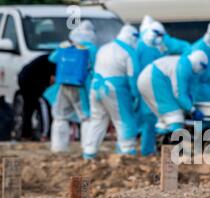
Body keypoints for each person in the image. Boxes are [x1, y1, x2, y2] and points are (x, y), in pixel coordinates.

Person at [83, 25, 140, 160]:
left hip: (95, 87)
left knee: (97, 119)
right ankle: (127, 150)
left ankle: (89, 151)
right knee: (123, 120)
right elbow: (133, 77)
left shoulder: (104, 48)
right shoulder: (128, 52)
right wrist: (135, 95)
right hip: (115, 89)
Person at [136, 20, 191, 156]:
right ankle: (148, 151)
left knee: (159, 121)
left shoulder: (159, 48)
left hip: (154, 87)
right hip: (148, 86)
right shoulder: (141, 47)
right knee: (151, 122)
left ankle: (156, 150)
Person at [137, 50, 208, 141]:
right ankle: (173, 149)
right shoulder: (184, 66)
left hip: (148, 78)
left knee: (165, 119)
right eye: (203, 67)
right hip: (153, 79)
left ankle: (161, 145)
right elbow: (179, 93)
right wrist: (192, 110)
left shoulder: (182, 63)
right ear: (199, 63)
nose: (201, 70)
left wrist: (188, 104)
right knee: (175, 117)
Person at [49, 21, 97, 152]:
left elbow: (52, 58)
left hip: (63, 84)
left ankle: (58, 147)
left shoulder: (68, 47)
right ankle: (87, 147)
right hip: (82, 86)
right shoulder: (92, 49)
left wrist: (63, 47)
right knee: (86, 116)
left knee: (60, 115)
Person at [18, 54, 56, 141]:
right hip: (30, 80)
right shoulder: (55, 61)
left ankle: (26, 135)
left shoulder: (52, 57)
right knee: (43, 104)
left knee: (28, 108)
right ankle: (45, 134)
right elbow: (52, 80)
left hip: (24, 77)